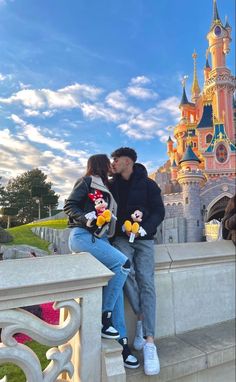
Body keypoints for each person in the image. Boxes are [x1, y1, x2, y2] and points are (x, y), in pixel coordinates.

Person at [63, 154, 139, 369]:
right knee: (123, 264)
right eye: (108, 162)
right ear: (101, 164)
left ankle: (122, 345)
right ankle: (103, 316)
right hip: (84, 236)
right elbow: (69, 205)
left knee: (117, 291)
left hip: (101, 240)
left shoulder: (106, 186)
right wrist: (86, 218)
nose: (111, 164)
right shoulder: (87, 181)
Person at [109, 147, 165, 376]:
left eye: (116, 159)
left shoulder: (149, 184)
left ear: (128, 161)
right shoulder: (111, 186)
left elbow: (159, 211)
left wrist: (145, 228)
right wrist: (120, 223)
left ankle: (149, 341)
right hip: (122, 238)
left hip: (145, 239)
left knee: (147, 282)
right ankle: (141, 315)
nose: (113, 163)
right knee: (124, 270)